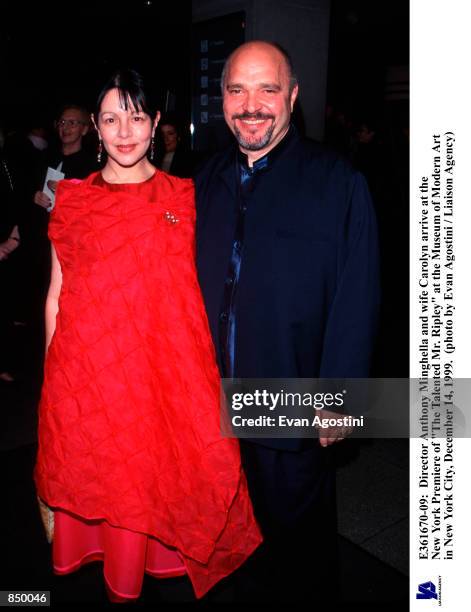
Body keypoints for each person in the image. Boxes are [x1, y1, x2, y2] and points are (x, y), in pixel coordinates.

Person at [34, 68, 262, 603]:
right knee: (101, 481)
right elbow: (55, 293)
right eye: (111, 118)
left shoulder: (186, 198)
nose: (124, 130)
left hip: (160, 379)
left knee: (155, 483)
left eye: (136, 117)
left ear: (156, 123)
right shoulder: (72, 200)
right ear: (94, 126)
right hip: (87, 378)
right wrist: (53, 381)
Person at [195, 41, 380, 603]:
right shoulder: (200, 183)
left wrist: (341, 394)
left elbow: (359, 293)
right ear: (222, 100)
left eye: (267, 89)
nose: (252, 104)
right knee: (224, 547)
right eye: (237, 89)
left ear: (293, 97)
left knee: (299, 554)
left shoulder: (337, 182)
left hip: (289, 402)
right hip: (206, 405)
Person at [155, 114, 196, 178]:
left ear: (178, 136)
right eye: (163, 134)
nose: (166, 138)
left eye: (170, 134)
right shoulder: (156, 157)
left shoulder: (186, 160)